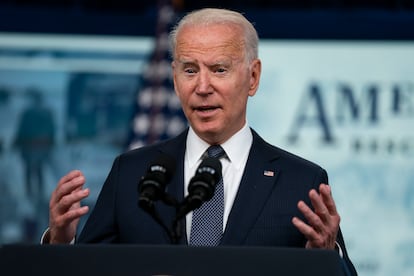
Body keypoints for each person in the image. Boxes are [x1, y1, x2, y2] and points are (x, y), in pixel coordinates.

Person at [43, 8, 357, 275]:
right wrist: (61, 246)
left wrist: (326, 259)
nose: (202, 86)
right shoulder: (131, 173)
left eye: (219, 69)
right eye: (189, 70)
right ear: (174, 78)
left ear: (253, 77)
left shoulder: (300, 181)